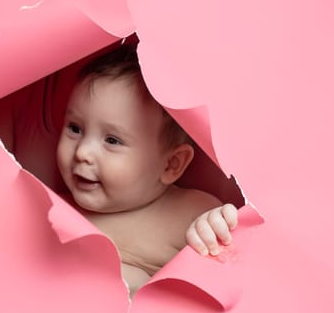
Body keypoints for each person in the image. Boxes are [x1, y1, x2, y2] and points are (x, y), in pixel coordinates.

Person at [56, 43, 238, 296]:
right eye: (75, 128)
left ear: (170, 164)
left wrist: (214, 226)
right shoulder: (54, 207)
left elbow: (233, 264)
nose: (82, 153)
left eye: (112, 140)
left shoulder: (189, 213)